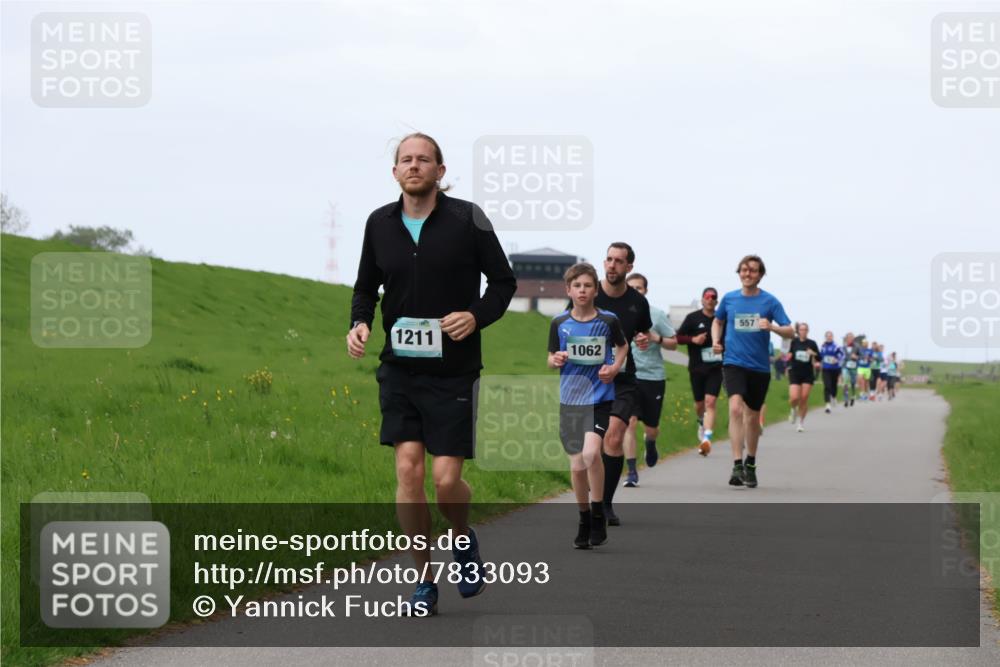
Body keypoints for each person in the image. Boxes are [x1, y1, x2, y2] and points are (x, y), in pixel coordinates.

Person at [348, 132, 517, 615]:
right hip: (400, 369)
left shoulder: (468, 218)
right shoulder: (379, 223)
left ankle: (462, 538)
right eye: (406, 159)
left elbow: (503, 283)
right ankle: (423, 579)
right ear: (395, 171)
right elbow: (365, 287)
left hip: (454, 370)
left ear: (441, 171)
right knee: (408, 470)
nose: (414, 165)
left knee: (445, 481)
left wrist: (475, 315)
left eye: (424, 159)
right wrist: (358, 323)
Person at [549, 262, 628, 548]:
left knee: (592, 454)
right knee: (576, 464)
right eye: (577, 286)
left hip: (599, 398)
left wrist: (615, 368)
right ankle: (584, 518)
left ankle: (598, 513)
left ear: (596, 290)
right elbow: (550, 357)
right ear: (568, 290)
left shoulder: (608, 321)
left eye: (588, 285)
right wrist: (555, 359)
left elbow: (623, 346)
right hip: (570, 401)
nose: (582, 291)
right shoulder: (559, 323)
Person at [712, 255, 793, 488]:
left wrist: (773, 327)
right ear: (739, 272)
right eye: (744, 270)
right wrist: (716, 340)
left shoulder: (770, 302)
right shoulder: (729, 299)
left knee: (752, 417)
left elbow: (790, 331)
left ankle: (751, 462)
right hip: (733, 363)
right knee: (736, 408)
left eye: (753, 271)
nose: (748, 274)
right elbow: (717, 321)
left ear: (760, 275)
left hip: (759, 367)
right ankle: (737, 464)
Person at [588, 243, 652, 525]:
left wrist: (642, 339)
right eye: (609, 260)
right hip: (588, 379)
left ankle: (603, 504)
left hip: (623, 376)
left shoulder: (637, 301)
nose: (612, 265)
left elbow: (643, 332)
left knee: (614, 436)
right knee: (590, 446)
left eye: (619, 261)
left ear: (629, 267)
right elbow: (567, 324)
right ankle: (592, 496)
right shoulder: (588, 292)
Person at [621, 273, 677, 486]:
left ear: (646, 291)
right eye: (631, 287)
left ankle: (651, 443)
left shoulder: (657, 314)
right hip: (628, 375)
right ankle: (632, 471)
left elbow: (674, 343)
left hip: (653, 376)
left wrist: (656, 338)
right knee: (629, 423)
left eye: (639, 288)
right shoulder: (619, 314)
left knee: (651, 428)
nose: (635, 291)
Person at [675, 287, 724, 455]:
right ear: (702, 300)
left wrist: (722, 347)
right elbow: (678, 337)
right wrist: (693, 339)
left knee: (710, 402)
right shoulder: (693, 318)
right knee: (699, 405)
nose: (710, 299)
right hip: (697, 367)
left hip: (716, 368)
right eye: (707, 297)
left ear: (717, 301)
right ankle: (701, 423)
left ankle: (707, 439)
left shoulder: (721, 319)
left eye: (713, 297)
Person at [787, 322, 821, 432]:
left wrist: (813, 353)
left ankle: (801, 423)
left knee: (804, 398)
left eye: (805, 329)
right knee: (794, 398)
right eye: (801, 329)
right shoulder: (794, 342)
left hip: (807, 373)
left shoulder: (812, 343)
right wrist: (788, 358)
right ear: (798, 331)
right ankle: (793, 409)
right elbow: (788, 354)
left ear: (808, 331)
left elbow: (819, 357)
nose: (803, 331)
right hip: (795, 373)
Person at [819, 330, 843, 413]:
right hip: (826, 368)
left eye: (830, 336)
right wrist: (818, 362)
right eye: (827, 336)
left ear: (832, 337)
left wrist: (837, 359)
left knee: (833, 385)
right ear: (825, 337)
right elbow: (820, 356)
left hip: (834, 369)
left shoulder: (836, 346)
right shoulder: (823, 346)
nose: (829, 337)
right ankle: (827, 405)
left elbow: (841, 354)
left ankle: (833, 396)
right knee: (827, 386)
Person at [841, 332, 861, 407]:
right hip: (845, 366)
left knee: (853, 383)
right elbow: (840, 356)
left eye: (851, 338)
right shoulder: (843, 347)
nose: (850, 339)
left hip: (853, 367)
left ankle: (853, 395)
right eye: (848, 338)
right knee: (845, 382)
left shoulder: (857, 346)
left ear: (853, 339)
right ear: (846, 339)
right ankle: (846, 399)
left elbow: (862, 356)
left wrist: (856, 357)